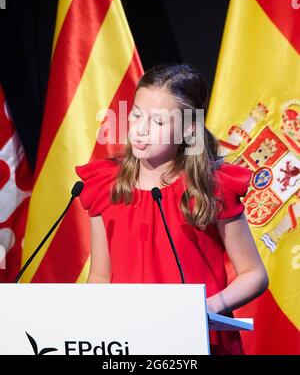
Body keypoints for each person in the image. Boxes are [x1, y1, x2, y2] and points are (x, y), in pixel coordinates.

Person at [75, 63, 268, 355]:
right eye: (136, 115)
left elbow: (253, 273)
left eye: (158, 122)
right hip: (129, 342)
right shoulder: (106, 187)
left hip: (198, 341)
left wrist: (208, 308)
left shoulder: (210, 186)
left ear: (189, 127)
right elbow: (101, 276)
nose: (140, 130)